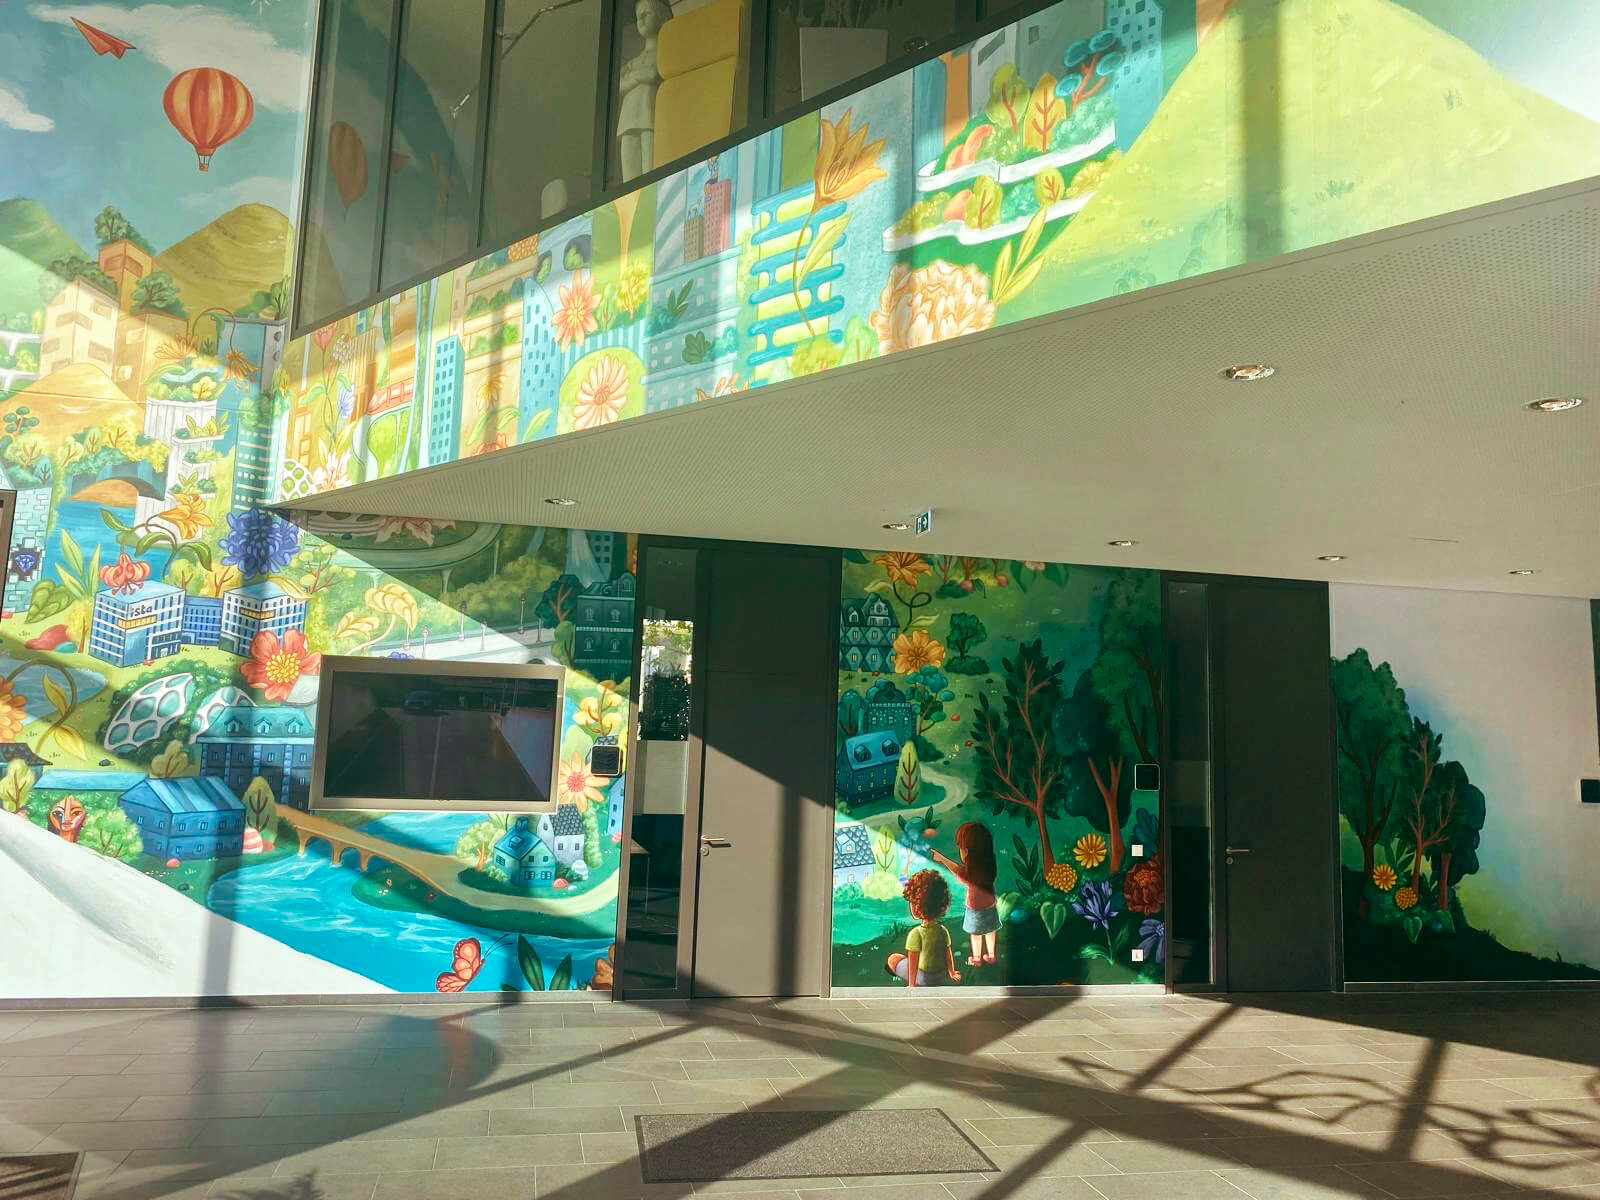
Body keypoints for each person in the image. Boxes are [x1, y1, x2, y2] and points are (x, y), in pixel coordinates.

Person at [617, 0, 674, 181]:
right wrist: (638, 77)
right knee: (630, 176)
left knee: (650, 170)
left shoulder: (664, 51)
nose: (640, 20)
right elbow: (619, 86)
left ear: (661, 16)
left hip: (649, 114)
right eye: (638, 16)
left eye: (645, 14)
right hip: (628, 119)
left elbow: (652, 73)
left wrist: (632, 76)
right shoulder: (634, 61)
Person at [929, 821, 999, 966]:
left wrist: (942, 859)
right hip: (990, 905)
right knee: (990, 930)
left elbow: (957, 871)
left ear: (966, 851)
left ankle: (977, 958)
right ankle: (991, 955)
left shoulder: (970, 874)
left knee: (975, 933)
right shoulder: (989, 867)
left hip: (975, 908)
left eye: (960, 848)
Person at [886, 869, 960, 987]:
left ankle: (915, 983)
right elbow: (948, 953)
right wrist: (952, 973)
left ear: (916, 907)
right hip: (940, 976)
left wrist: (911, 985)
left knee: (893, 958)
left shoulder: (916, 933)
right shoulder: (943, 930)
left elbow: (913, 960)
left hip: (924, 979)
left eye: (911, 901)